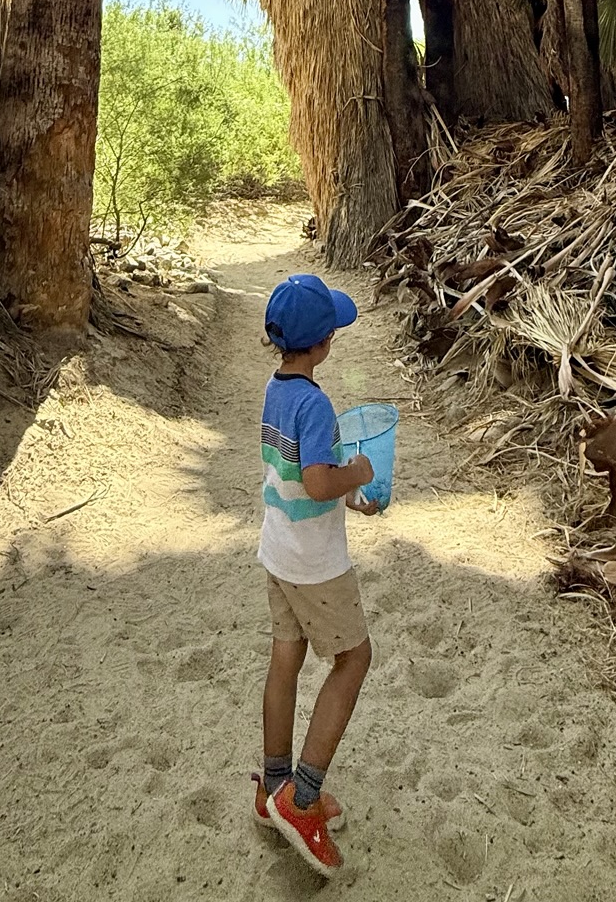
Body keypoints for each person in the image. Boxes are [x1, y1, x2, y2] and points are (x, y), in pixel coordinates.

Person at [253, 272, 380, 878]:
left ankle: (271, 787)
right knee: (354, 659)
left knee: (286, 660)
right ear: (324, 340)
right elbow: (318, 480)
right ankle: (303, 800)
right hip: (315, 565)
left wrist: (352, 500)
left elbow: (295, 480)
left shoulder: (277, 392)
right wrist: (357, 475)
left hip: (279, 550)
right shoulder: (315, 403)